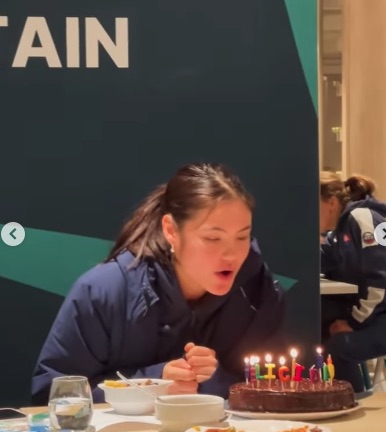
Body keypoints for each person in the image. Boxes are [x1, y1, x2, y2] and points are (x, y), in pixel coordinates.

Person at [31, 163, 286, 405]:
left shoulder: (258, 292)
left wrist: (212, 380)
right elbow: (54, 394)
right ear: (171, 231)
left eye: (242, 236)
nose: (231, 255)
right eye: (212, 238)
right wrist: (153, 385)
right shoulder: (105, 291)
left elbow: (276, 394)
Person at [320, 171, 386, 392]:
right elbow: (326, 259)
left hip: (381, 316)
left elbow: (380, 283)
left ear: (330, 202)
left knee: (338, 347)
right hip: (376, 314)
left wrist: (354, 323)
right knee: (320, 323)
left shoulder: (363, 218)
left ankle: (351, 401)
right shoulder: (340, 230)